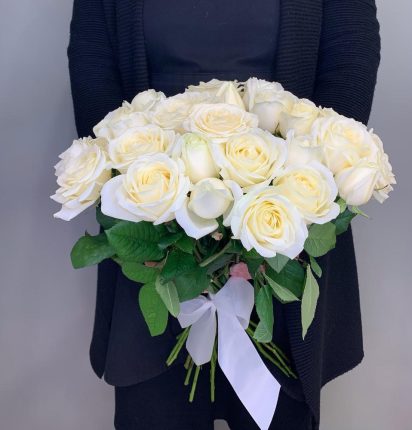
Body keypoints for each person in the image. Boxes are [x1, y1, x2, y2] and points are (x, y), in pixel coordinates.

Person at [67, 0, 381, 428]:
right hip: (152, 238)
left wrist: (277, 220)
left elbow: (348, 63)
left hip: (282, 241)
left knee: (276, 412)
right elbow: (94, 63)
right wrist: (154, 212)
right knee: (154, 409)